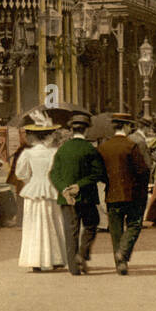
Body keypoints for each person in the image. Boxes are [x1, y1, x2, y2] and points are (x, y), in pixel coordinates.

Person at [49, 111, 108, 275]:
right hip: (87, 196)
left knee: (71, 230)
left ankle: (73, 268)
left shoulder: (62, 149)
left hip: (66, 198)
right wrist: (79, 186)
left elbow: (54, 173)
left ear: (71, 130)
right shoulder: (91, 150)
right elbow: (98, 173)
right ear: (86, 130)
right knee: (91, 224)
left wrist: (64, 189)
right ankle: (81, 254)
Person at [97, 113, 151, 274]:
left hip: (112, 194)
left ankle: (119, 263)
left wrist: (110, 181)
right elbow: (142, 170)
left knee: (116, 229)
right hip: (132, 194)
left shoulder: (104, 147)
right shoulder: (131, 145)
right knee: (134, 224)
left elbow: (99, 172)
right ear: (126, 126)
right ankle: (123, 253)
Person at [15, 124, 66, 271]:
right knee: (53, 222)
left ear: (33, 137)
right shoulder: (54, 152)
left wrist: (31, 180)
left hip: (34, 189)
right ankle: (56, 259)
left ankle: (35, 260)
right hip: (50, 188)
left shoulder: (28, 154)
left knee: (34, 225)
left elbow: (21, 174)